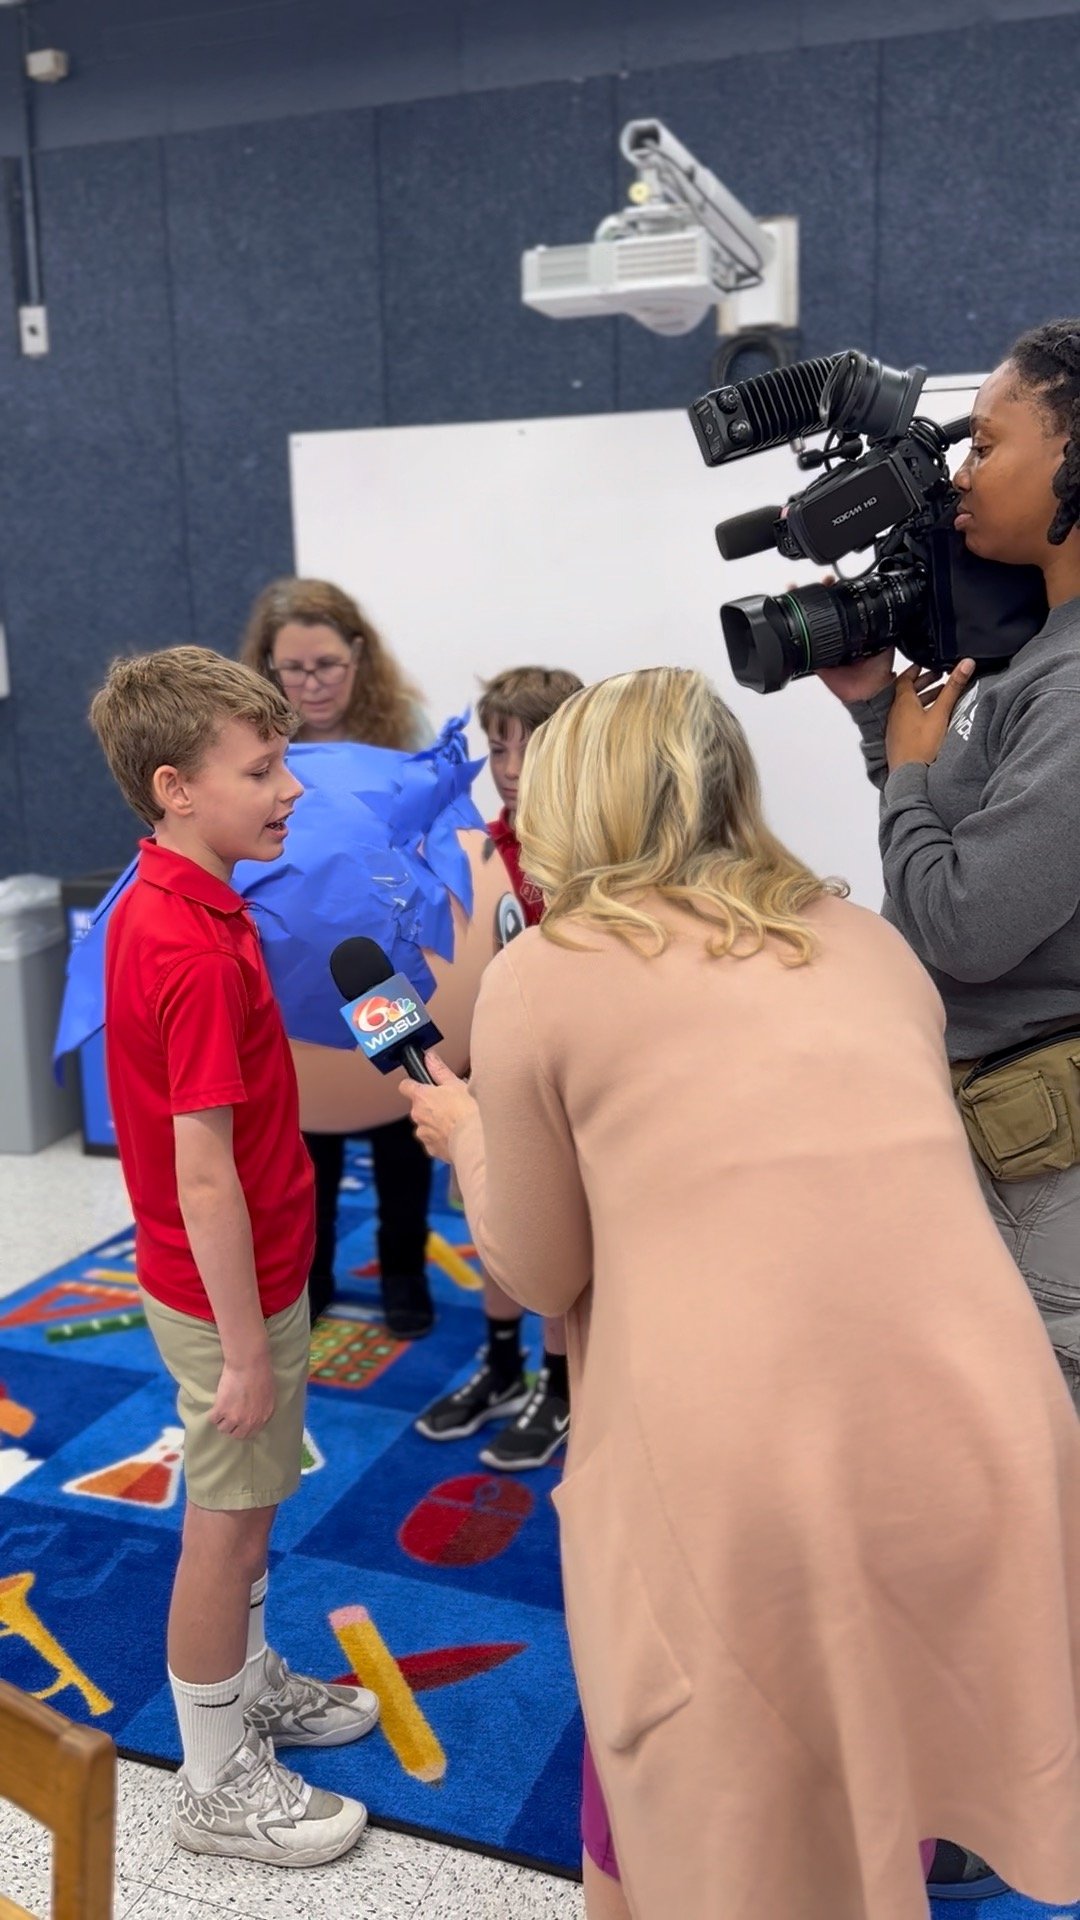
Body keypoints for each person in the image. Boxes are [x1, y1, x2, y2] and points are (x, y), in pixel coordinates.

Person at [399, 666, 1080, 1920]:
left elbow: (539, 1268)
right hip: (989, 1434)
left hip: (752, 1478)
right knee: (890, 1753)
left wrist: (465, 1133)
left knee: (693, 1790)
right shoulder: (868, 940)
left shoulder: (549, 971)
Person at [90, 647, 378, 1868]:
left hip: (238, 1278)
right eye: (262, 770)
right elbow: (201, 1168)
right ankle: (212, 1782)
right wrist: (250, 1351)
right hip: (232, 1296)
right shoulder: (192, 946)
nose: (289, 789)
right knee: (229, 1520)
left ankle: (246, 1685)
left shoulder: (175, 899)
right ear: (176, 788)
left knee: (252, 1508)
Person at [817, 319, 1080, 1423]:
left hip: (1048, 1166)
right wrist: (887, 722)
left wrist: (911, 775)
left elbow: (964, 924)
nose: (962, 473)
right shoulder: (1038, 661)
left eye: (986, 443)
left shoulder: (1069, 690)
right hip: (999, 1134)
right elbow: (950, 842)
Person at [240, 578, 436, 1337]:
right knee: (304, 1126)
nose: (311, 684)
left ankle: (404, 1274)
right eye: (292, 669)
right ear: (266, 667)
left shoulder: (402, 727)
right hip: (291, 955)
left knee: (402, 1111)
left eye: (327, 664)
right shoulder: (251, 735)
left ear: (359, 654)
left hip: (383, 953)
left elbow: (436, 836)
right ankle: (312, 1276)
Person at [414, 666, 583, 1470]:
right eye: (497, 747)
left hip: (559, 1080)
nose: (509, 766)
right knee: (490, 1220)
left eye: (529, 745)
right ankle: (504, 1361)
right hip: (483, 1073)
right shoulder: (477, 851)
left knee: (551, 1233)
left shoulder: (588, 851)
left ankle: (560, 1381)